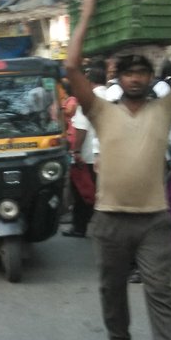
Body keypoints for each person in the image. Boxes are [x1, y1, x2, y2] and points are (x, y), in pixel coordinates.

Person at [65, 0, 171, 340]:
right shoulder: (100, 110)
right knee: (111, 286)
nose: (135, 78)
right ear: (117, 78)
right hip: (110, 218)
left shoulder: (165, 109)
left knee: (160, 291)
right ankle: (118, 339)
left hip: (153, 220)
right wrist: (86, 14)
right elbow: (71, 66)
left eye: (142, 73)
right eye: (128, 73)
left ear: (152, 79)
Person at [63, 66, 103, 237]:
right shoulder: (113, 96)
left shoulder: (87, 99)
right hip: (108, 154)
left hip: (87, 157)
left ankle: (79, 227)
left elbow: (81, 128)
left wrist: (76, 151)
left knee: (82, 193)